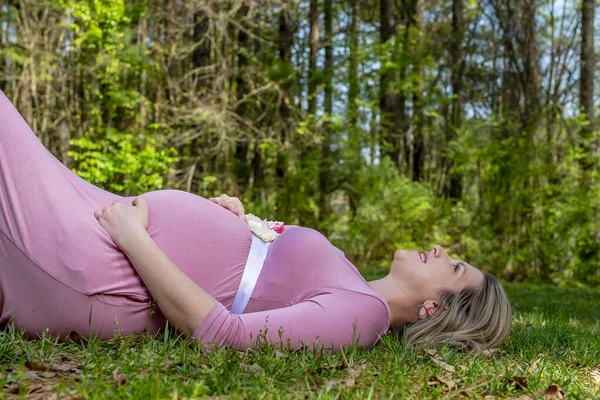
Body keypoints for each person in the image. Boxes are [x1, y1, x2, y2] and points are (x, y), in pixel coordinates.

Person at [0, 89, 512, 352]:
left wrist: (136, 239)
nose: (442, 250)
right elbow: (261, 279)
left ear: (431, 309)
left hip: (100, 267)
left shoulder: (362, 316)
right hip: (101, 228)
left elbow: (227, 335)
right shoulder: (356, 285)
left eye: (454, 267)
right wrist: (241, 229)